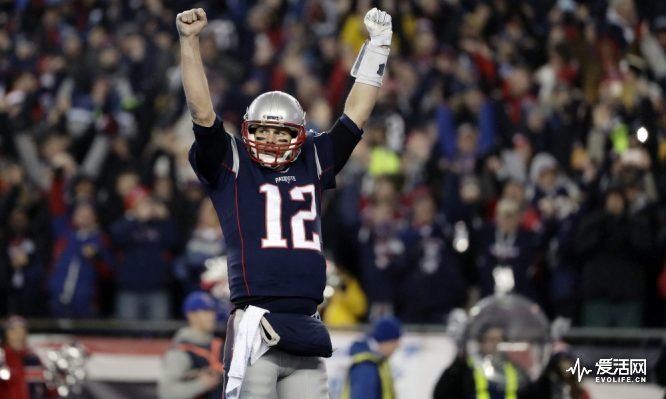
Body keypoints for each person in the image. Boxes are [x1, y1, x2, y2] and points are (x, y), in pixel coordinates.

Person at [177, 5, 393, 399]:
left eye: (282, 133)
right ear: (247, 130)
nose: (272, 140)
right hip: (256, 325)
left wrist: (378, 48)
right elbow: (202, 113)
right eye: (262, 130)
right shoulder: (233, 163)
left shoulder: (313, 157)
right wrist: (189, 43)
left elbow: (356, 115)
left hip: (307, 326)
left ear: (299, 134)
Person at [433, 323, 531, 399]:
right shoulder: (467, 368)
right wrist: (458, 361)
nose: (496, 344)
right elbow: (441, 394)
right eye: (491, 340)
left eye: (500, 340)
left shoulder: (515, 370)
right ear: (481, 343)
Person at [158, 291, 223, 399]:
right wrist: (201, 384)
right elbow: (166, 392)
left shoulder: (219, 344)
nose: (211, 316)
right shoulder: (181, 350)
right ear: (191, 315)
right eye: (205, 311)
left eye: (212, 311)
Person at [341, 316, 402, 399]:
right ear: (386, 340)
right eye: (396, 341)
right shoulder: (366, 366)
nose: (398, 345)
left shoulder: (377, 362)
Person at [0, 316, 55, 399]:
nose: (19, 336)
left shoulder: (33, 360)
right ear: (6, 335)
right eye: (15, 332)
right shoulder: (2, 359)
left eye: (23, 332)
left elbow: (47, 390)